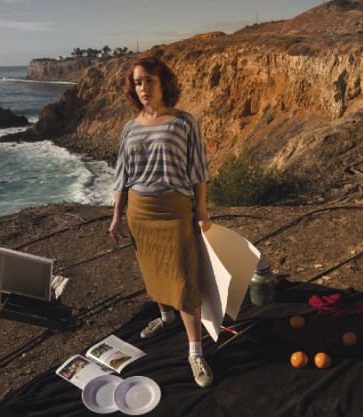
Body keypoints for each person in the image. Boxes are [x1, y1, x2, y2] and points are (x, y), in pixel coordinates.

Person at [109, 54, 213, 388]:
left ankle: (195, 351)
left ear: (163, 82)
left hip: (174, 211)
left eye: (149, 80)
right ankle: (165, 317)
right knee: (151, 269)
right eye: (137, 82)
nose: (143, 88)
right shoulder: (129, 127)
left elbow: (198, 171)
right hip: (139, 212)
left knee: (183, 281)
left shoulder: (183, 122)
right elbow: (122, 175)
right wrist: (116, 216)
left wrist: (202, 210)